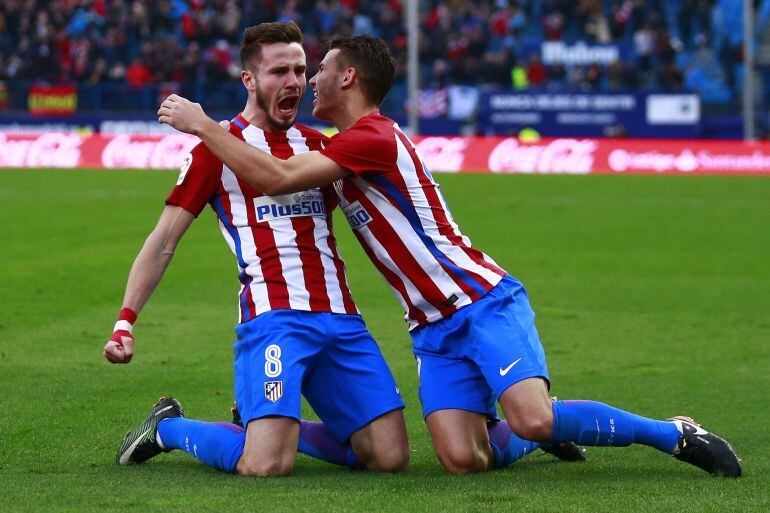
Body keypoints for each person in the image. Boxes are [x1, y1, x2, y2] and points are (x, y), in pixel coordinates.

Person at [157, 35, 742, 478]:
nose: (310, 81)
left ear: (348, 77)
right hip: (430, 327)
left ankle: (670, 434)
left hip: (478, 299)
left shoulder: (372, 137)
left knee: (533, 415)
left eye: (319, 71)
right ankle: (530, 431)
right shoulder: (336, 147)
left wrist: (203, 125)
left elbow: (280, 177)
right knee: (463, 459)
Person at [105, 23, 409, 477]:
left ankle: (264, 421)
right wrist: (125, 321)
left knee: (389, 457)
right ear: (249, 80)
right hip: (274, 318)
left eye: (301, 70)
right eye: (279, 72)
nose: (294, 82)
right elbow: (164, 241)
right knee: (266, 465)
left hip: (342, 319)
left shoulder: (319, 145)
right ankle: (167, 428)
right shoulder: (214, 150)